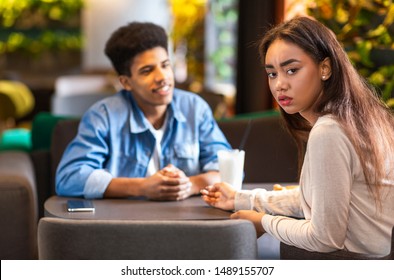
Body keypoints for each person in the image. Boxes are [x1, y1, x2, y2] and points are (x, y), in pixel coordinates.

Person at [201, 16, 394, 257]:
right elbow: (319, 197)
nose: (280, 84)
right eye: (272, 73)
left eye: (292, 70)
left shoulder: (330, 131)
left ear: (325, 68)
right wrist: (242, 198)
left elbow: (323, 238)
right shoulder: (363, 119)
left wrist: (263, 222)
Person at [56, 22, 231, 200]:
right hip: (125, 223)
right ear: (126, 82)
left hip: (187, 222)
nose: (162, 77)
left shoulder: (195, 108)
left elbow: (228, 170)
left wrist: (190, 185)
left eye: (165, 65)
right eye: (147, 71)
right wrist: (142, 187)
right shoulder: (103, 116)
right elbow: (69, 177)